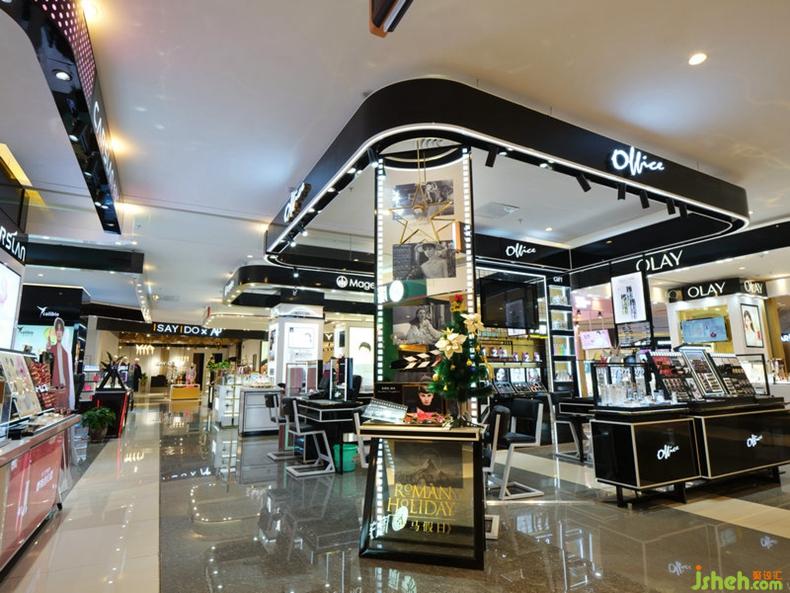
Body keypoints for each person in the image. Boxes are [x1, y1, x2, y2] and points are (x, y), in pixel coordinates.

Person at [47, 317, 74, 410]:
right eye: (57, 329)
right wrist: (48, 350)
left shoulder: (67, 352)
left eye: (61, 329)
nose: (59, 332)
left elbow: (68, 373)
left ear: (63, 332)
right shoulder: (51, 349)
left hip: (64, 389)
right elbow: (47, 367)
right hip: (54, 389)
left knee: (64, 412)